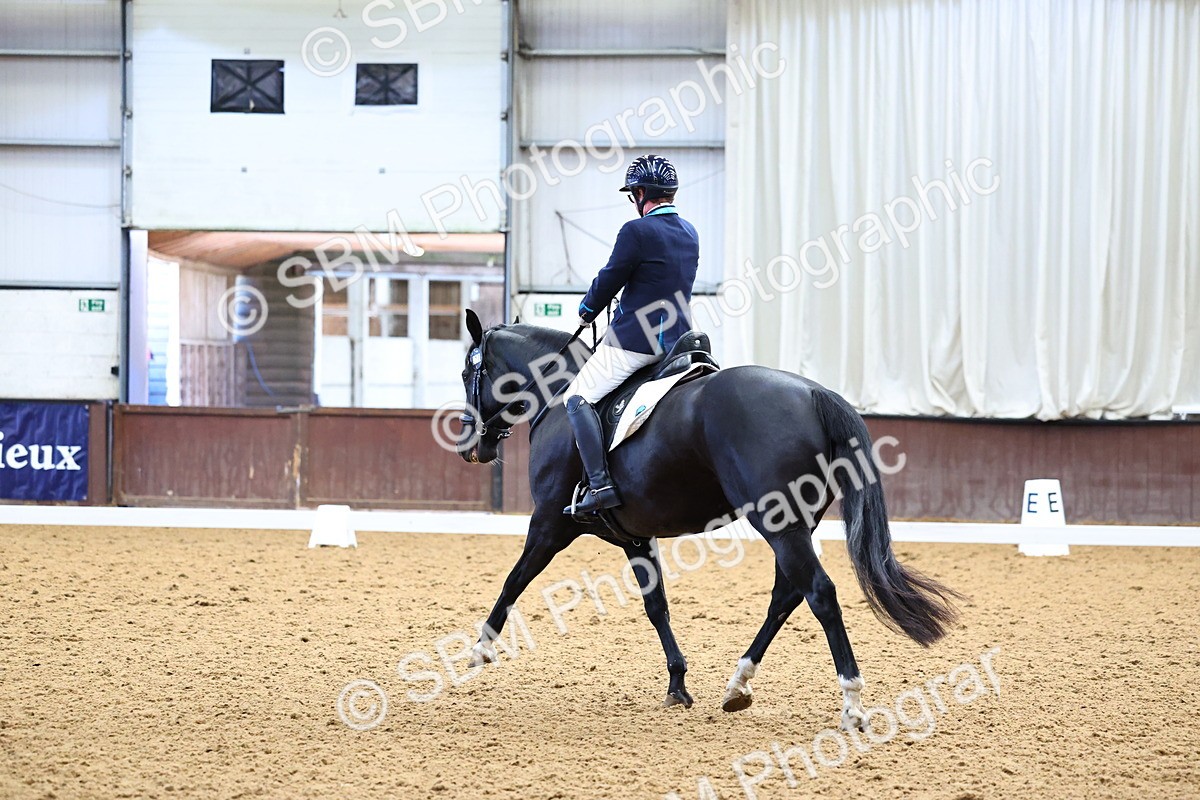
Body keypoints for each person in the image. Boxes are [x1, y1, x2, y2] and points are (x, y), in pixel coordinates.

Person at [563, 154, 700, 516]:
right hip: (678, 342)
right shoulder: (689, 232)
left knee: (577, 397)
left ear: (640, 193)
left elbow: (611, 277)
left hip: (637, 343)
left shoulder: (635, 231)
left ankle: (599, 485)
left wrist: (587, 310)